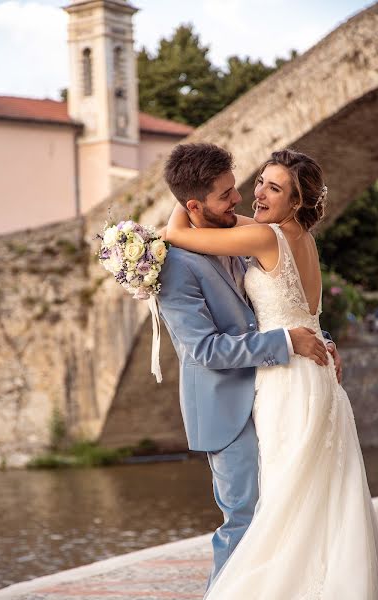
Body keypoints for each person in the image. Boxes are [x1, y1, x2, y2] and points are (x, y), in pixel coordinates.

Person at [166, 146, 378, 599]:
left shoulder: (263, 239)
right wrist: (321, 340)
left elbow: (178, 233)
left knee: (283, 499)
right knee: (317, 492)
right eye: (258, 180)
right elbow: (306, 312)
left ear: (297, 202)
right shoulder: (298, 236)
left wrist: (184, 207)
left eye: (273, 187)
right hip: (313, 376)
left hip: (286, 380)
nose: (255, 193)